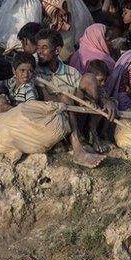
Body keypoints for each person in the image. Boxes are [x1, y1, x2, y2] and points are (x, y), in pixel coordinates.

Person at [34, 28, 105, 168]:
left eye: (44, 48)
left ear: (57, 51)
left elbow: (88, 93)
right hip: (52, 119)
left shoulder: (71, 72)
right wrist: (65, 98)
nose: (39, 52)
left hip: (76, 118)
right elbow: (45, 98)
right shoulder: (35, 71)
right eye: (38, 48)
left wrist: (103, 101)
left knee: (90, 79)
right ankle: (77, 148)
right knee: (65, 98)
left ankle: (92, 131)